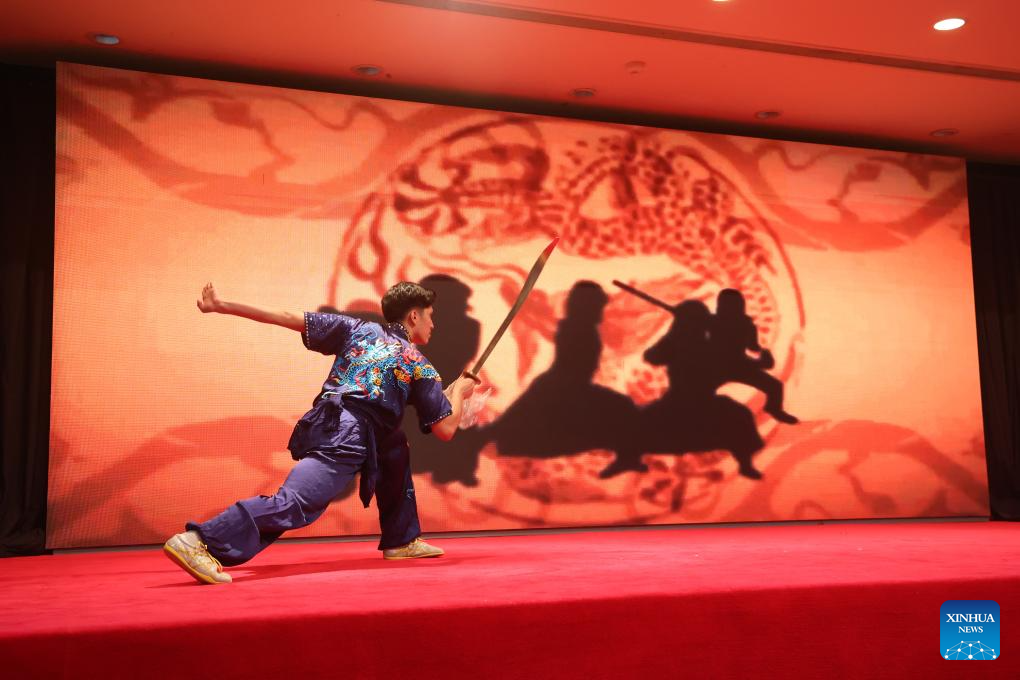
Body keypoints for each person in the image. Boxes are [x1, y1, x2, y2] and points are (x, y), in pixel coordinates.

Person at [163, 281, 477, 585]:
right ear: (414, 316)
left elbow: (288, 316)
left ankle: (402, 539)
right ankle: (199, 540)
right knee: (294, 503)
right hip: (347, 435)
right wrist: (461, 392)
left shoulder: (360, 329)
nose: (433, 324)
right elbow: (446, 428)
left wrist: (223, 305)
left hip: (335, 422)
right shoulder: (418, 364)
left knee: (393, 444)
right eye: (431, 316)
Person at [710, 289, 798, 424]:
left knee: (775, 386)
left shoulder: (745, 324)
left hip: (739, 363)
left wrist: (764, 355)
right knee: (697, 390)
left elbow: (753, 346)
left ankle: (774, 408)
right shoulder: (711, 323)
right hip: (716, 365)